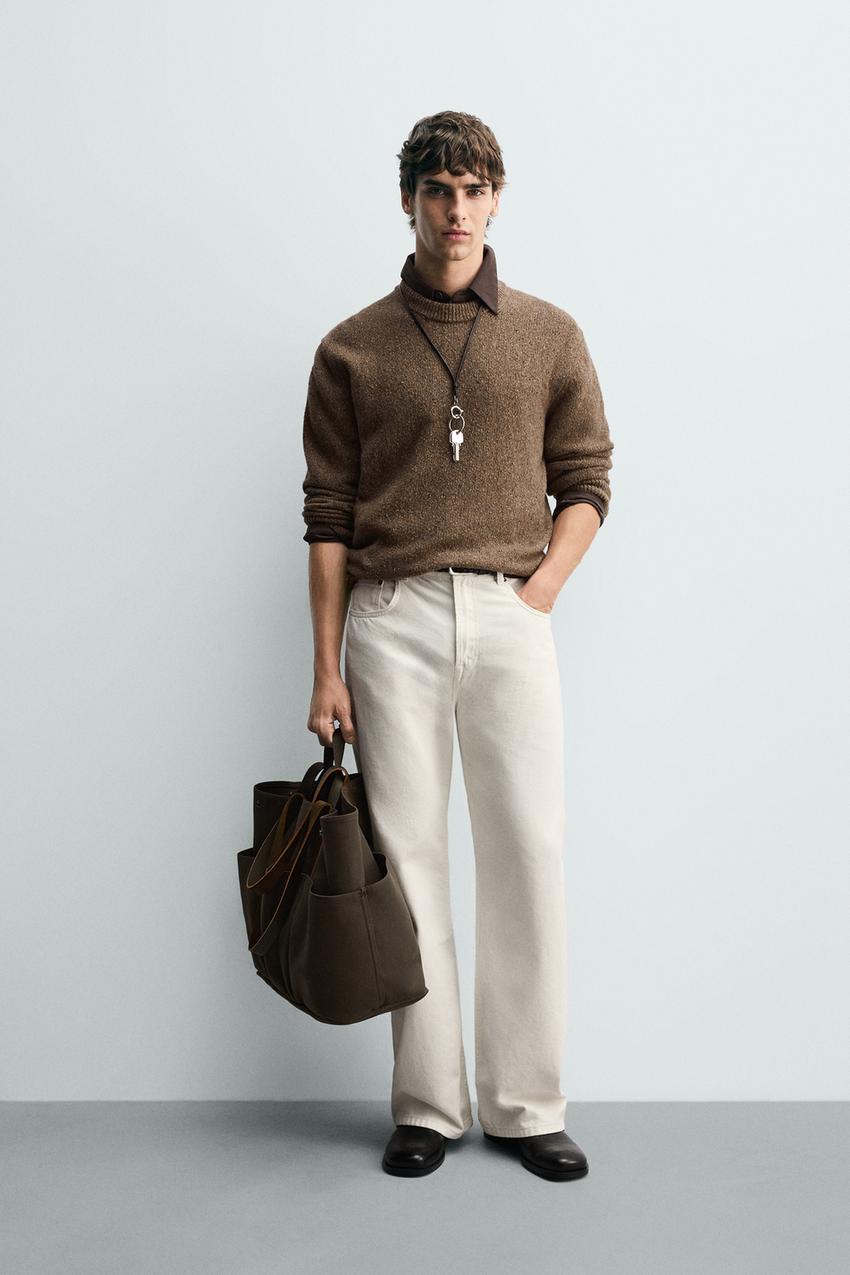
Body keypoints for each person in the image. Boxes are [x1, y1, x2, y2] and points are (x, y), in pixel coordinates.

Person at [300, 110, 613, 1181]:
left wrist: (540, 591)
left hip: (508, 611)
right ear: (409, 201)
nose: (457, 210)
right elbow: (327, 518)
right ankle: (428, 1105)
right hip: (390, 618)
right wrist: (326, 667)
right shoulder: (351, 347)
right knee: (409, 857)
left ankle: (525, 1104)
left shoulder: (549, 333)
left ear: (496, 199)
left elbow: (587, 478)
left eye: (475, 190)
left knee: (527, 848)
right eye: (438, 190)